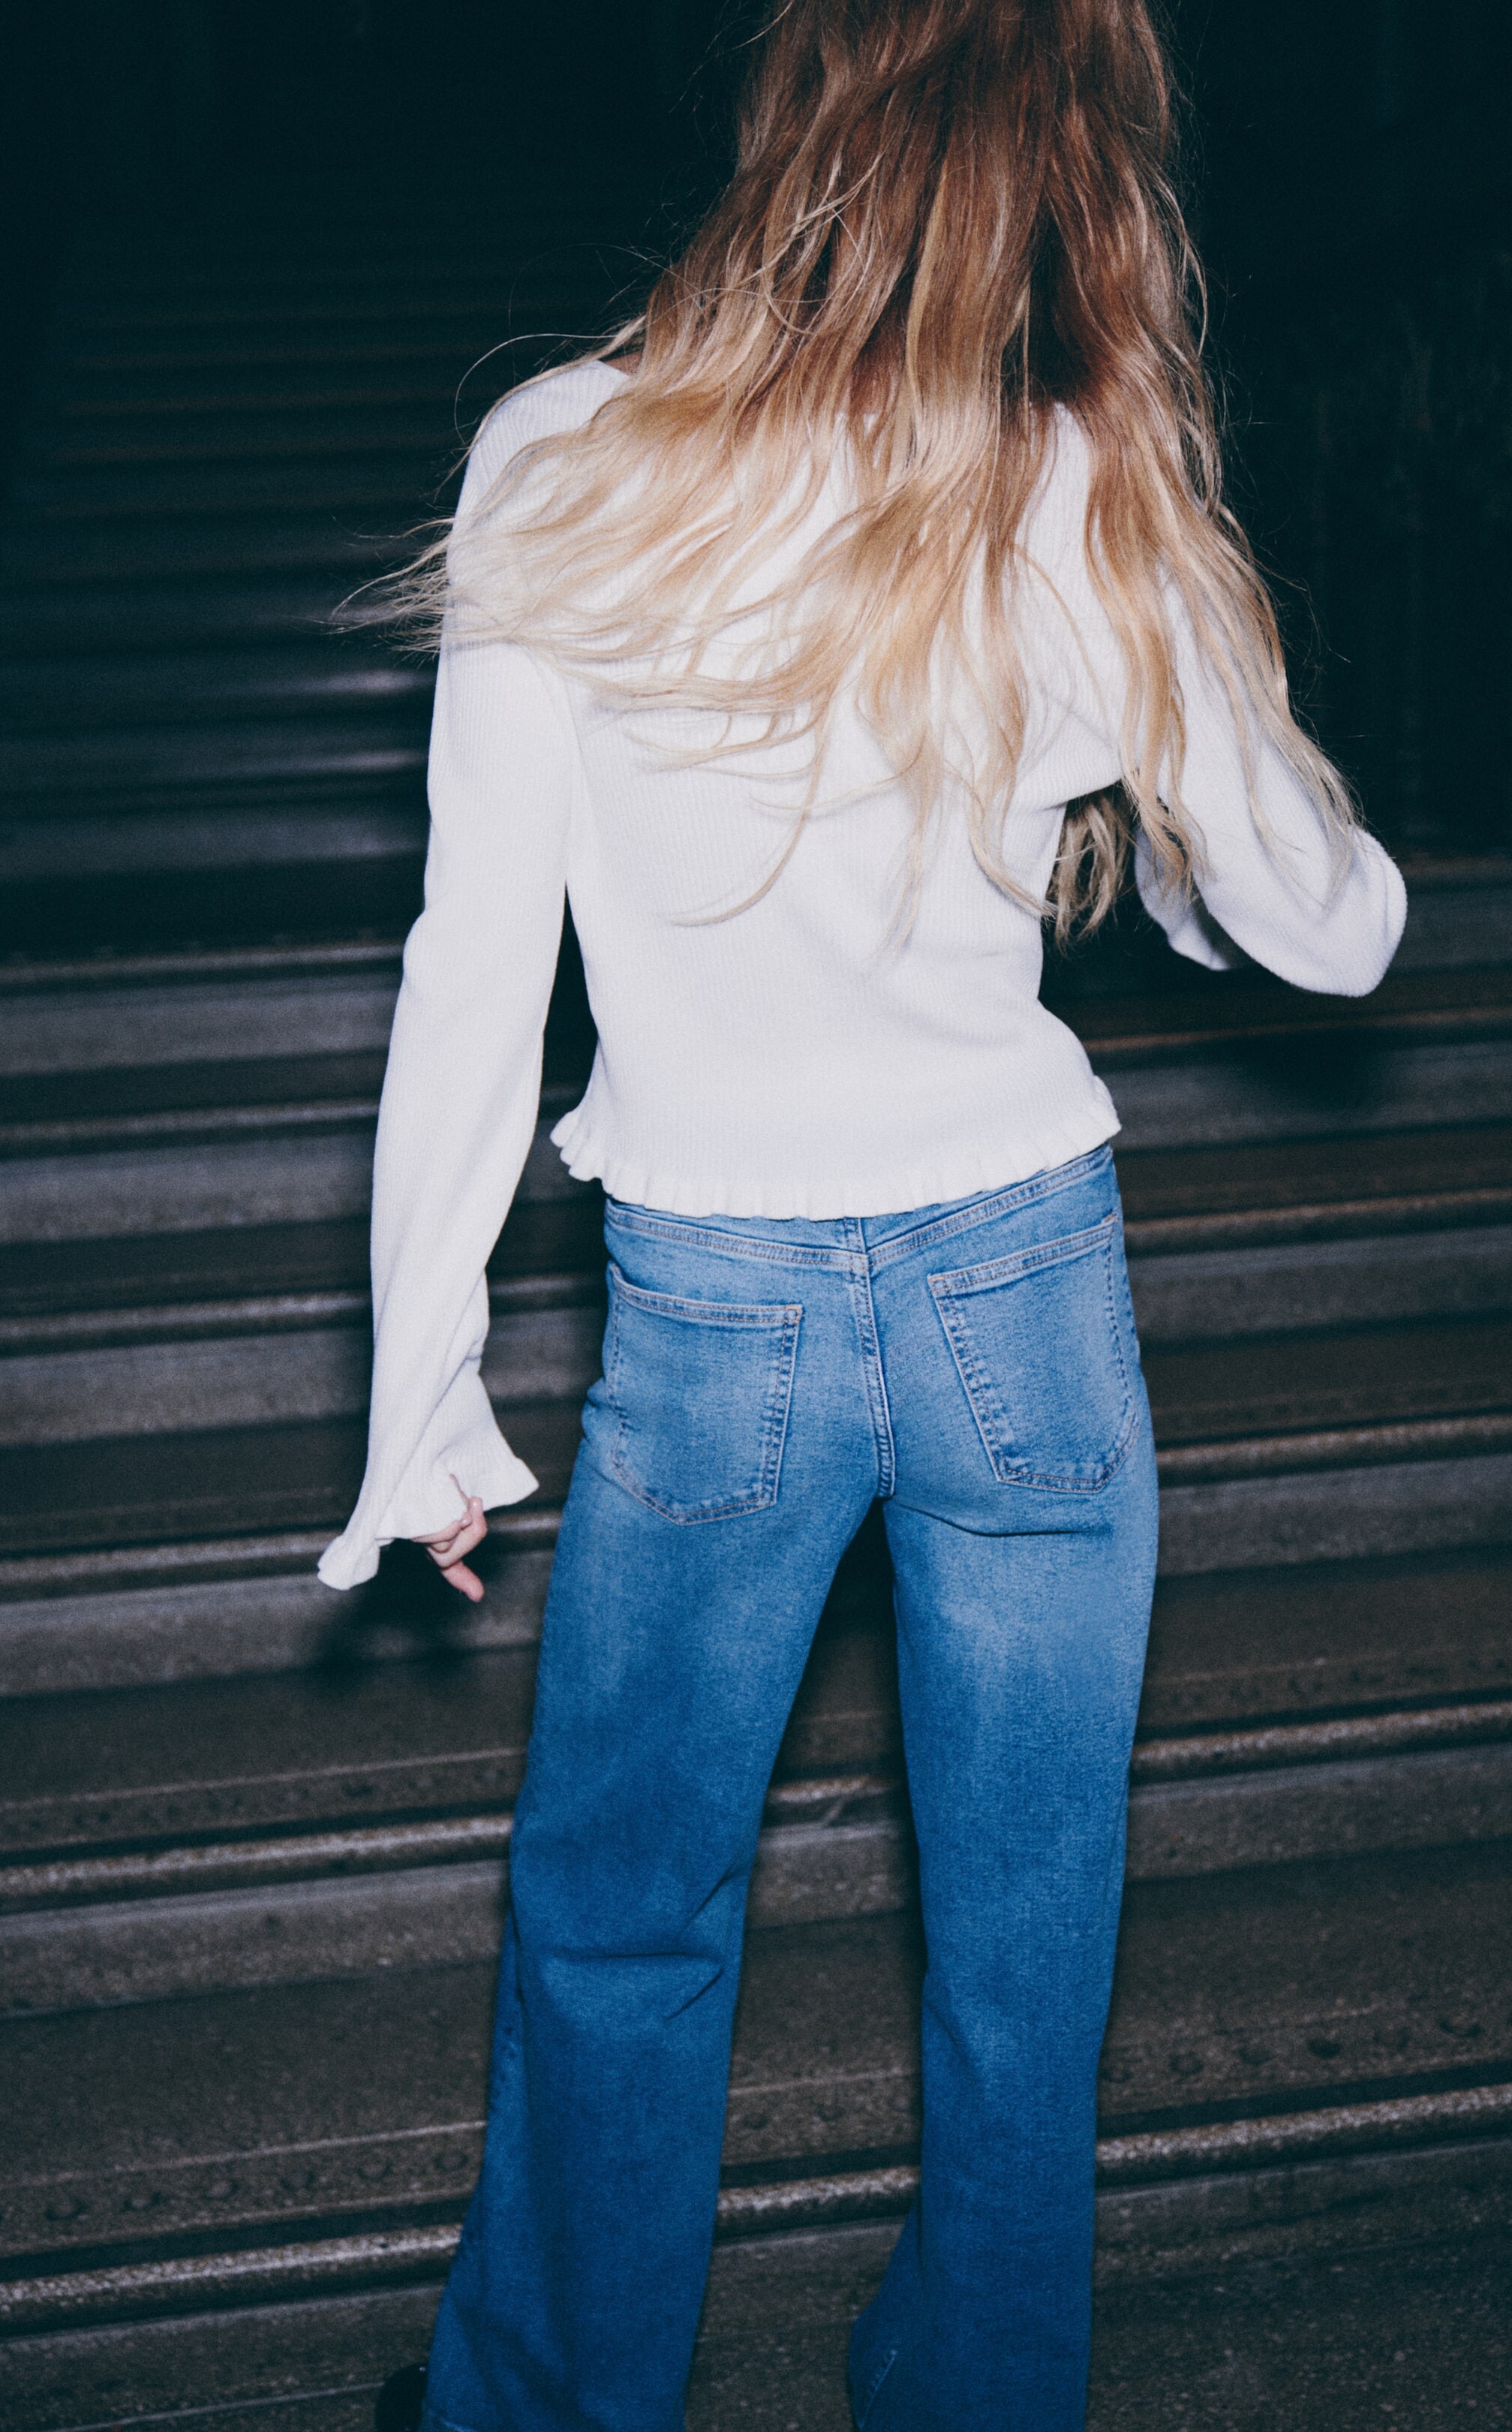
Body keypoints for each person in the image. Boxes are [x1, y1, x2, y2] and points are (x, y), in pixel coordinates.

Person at [323, 2, 1405, 2423]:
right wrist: (1183, 796)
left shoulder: (566, 451)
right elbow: (1337, 932)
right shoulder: (1073, 468)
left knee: (624, 1917)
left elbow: (473, 967)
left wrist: (423, 1399)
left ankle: (549, 2403)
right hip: (1028, 1287)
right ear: (1073, 174)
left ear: (792, 116)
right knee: (1028, 1954)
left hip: (720, 1313)